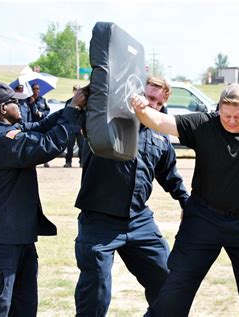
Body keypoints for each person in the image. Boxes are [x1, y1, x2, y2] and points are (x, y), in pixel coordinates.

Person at [132, 83, 239, 317]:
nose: (231, 121)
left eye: (237, 116)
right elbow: (162, 122)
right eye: (226, 115)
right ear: (218, 110)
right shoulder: (204, 124)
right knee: (176, 288)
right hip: (203, 219)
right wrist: (142, 109)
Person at [74, 76, 189, 316]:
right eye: (148, 97)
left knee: (168, 283)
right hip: (99, 221)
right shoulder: (109, 119)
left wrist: (185, 201)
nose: (151, 104)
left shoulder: (160, 136)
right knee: (95, 294)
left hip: (138, 221)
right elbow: (96, 94)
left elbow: (169, 175)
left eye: (157, 102)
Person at [0, 82, 87, 316]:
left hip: (16, 233)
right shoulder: (1, 139)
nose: (21, 105)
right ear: (3, 109)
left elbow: (43, 125)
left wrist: (73, 103)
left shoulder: (3, 129)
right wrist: (73, 110)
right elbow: (48, 145)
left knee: (23, 306)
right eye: (16, 102)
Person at [27, 83, 51, 167]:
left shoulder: (43, 100)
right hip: (32, 125)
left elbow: (47, 110)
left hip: (42, 124)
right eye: (34, 89)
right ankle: (34, 161)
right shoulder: (28, 100)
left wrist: (42, 114)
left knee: (43, 142)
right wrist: (32, 103)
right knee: (33, 143)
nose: (36, 90)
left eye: (38, 89)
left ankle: (45, 161)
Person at [64, 85, 84, 168]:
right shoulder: (69, 102)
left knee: (81, 145)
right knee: (70, 145)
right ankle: (68, 162)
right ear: (73, 91)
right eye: (75, 90)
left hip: (79, 127)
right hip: (71, 126)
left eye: (78, 90)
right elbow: (65, 113)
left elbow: (85, 114)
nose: (76, 91)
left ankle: (82, 162)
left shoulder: (83, 102)